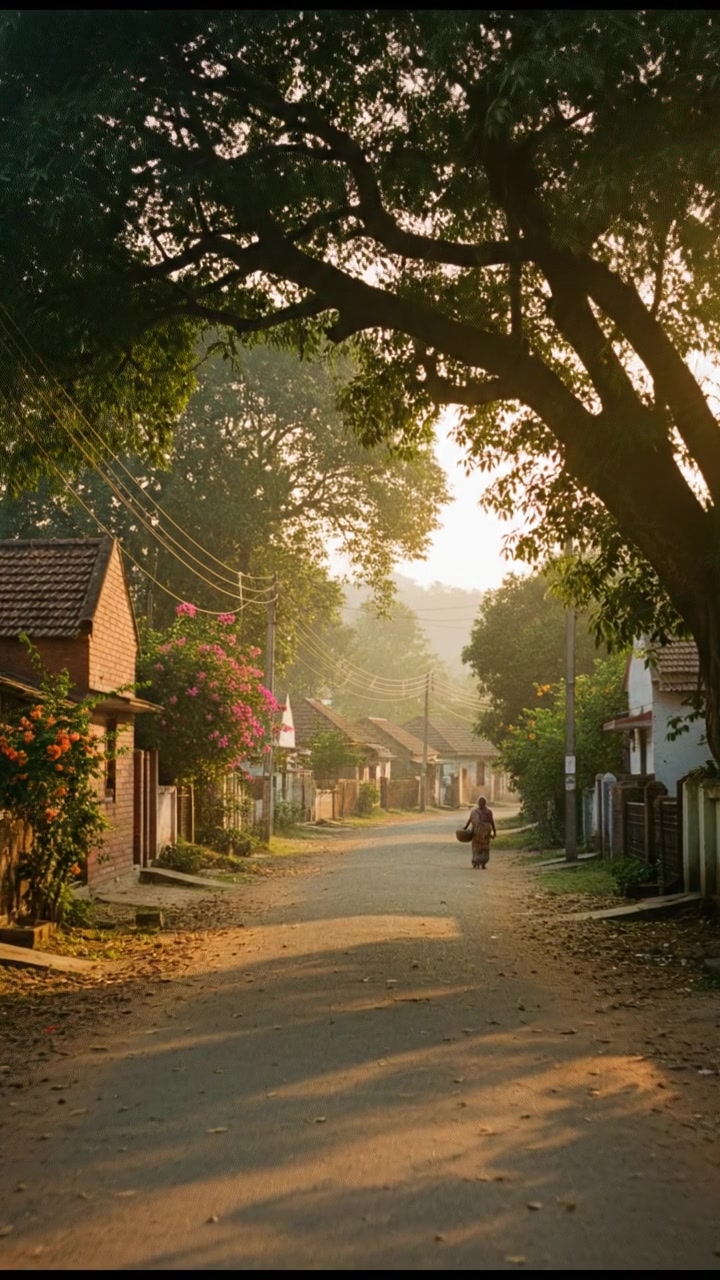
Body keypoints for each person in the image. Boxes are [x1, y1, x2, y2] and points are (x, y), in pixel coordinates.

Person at [464, 795, 497, 869]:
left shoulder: (489, 812)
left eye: (482, 802)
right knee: (476, 848)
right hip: (477, 834)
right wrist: (465, 828)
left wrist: (494, 831)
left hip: (485, 835)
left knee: (485, 849)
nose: (480, 804)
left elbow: (492, 822)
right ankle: (476, 862)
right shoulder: (474, 812)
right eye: (479, 802)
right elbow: (470, 820)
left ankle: (483, 863)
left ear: (485, 803)